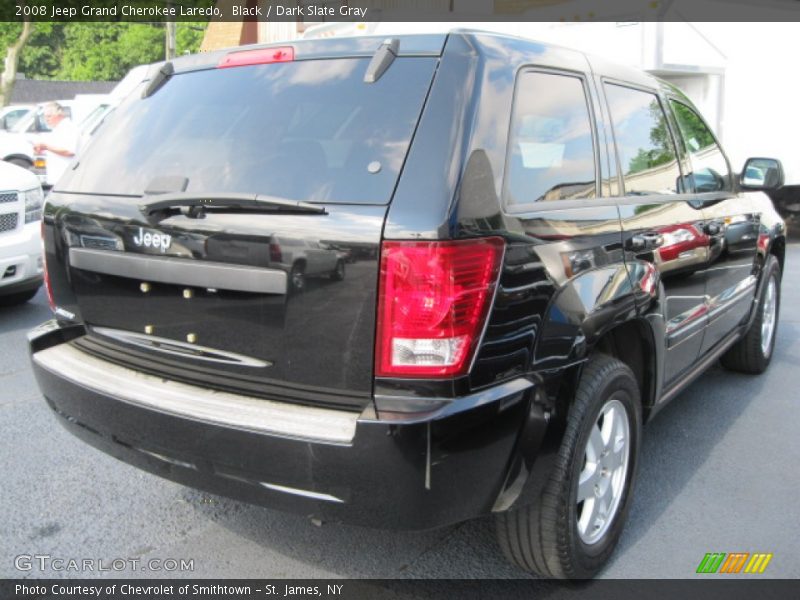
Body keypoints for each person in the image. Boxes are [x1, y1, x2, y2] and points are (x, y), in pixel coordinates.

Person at [32, 102, 79, 186]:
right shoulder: (57, 129)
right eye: (45, 117)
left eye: (49, 116)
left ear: (59, 115)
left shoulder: (68, 128)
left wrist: (46, 147)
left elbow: (70, 151)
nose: (46, 119)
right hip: (56, 178)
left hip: (65, 178)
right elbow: (54, 149)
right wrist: (41, 150)